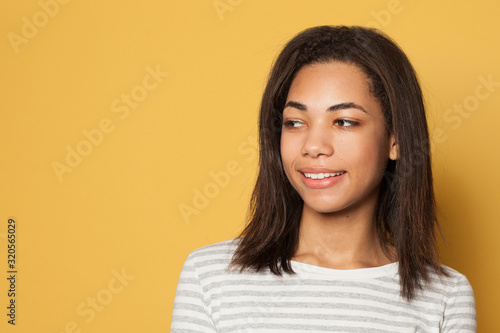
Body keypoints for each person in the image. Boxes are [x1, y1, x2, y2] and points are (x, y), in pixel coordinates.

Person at [171, 25, 477, 332]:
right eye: (295, 122)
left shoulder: (444, 296)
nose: (313, 146)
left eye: (344, 122)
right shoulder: (210, 276)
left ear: (395, 140)